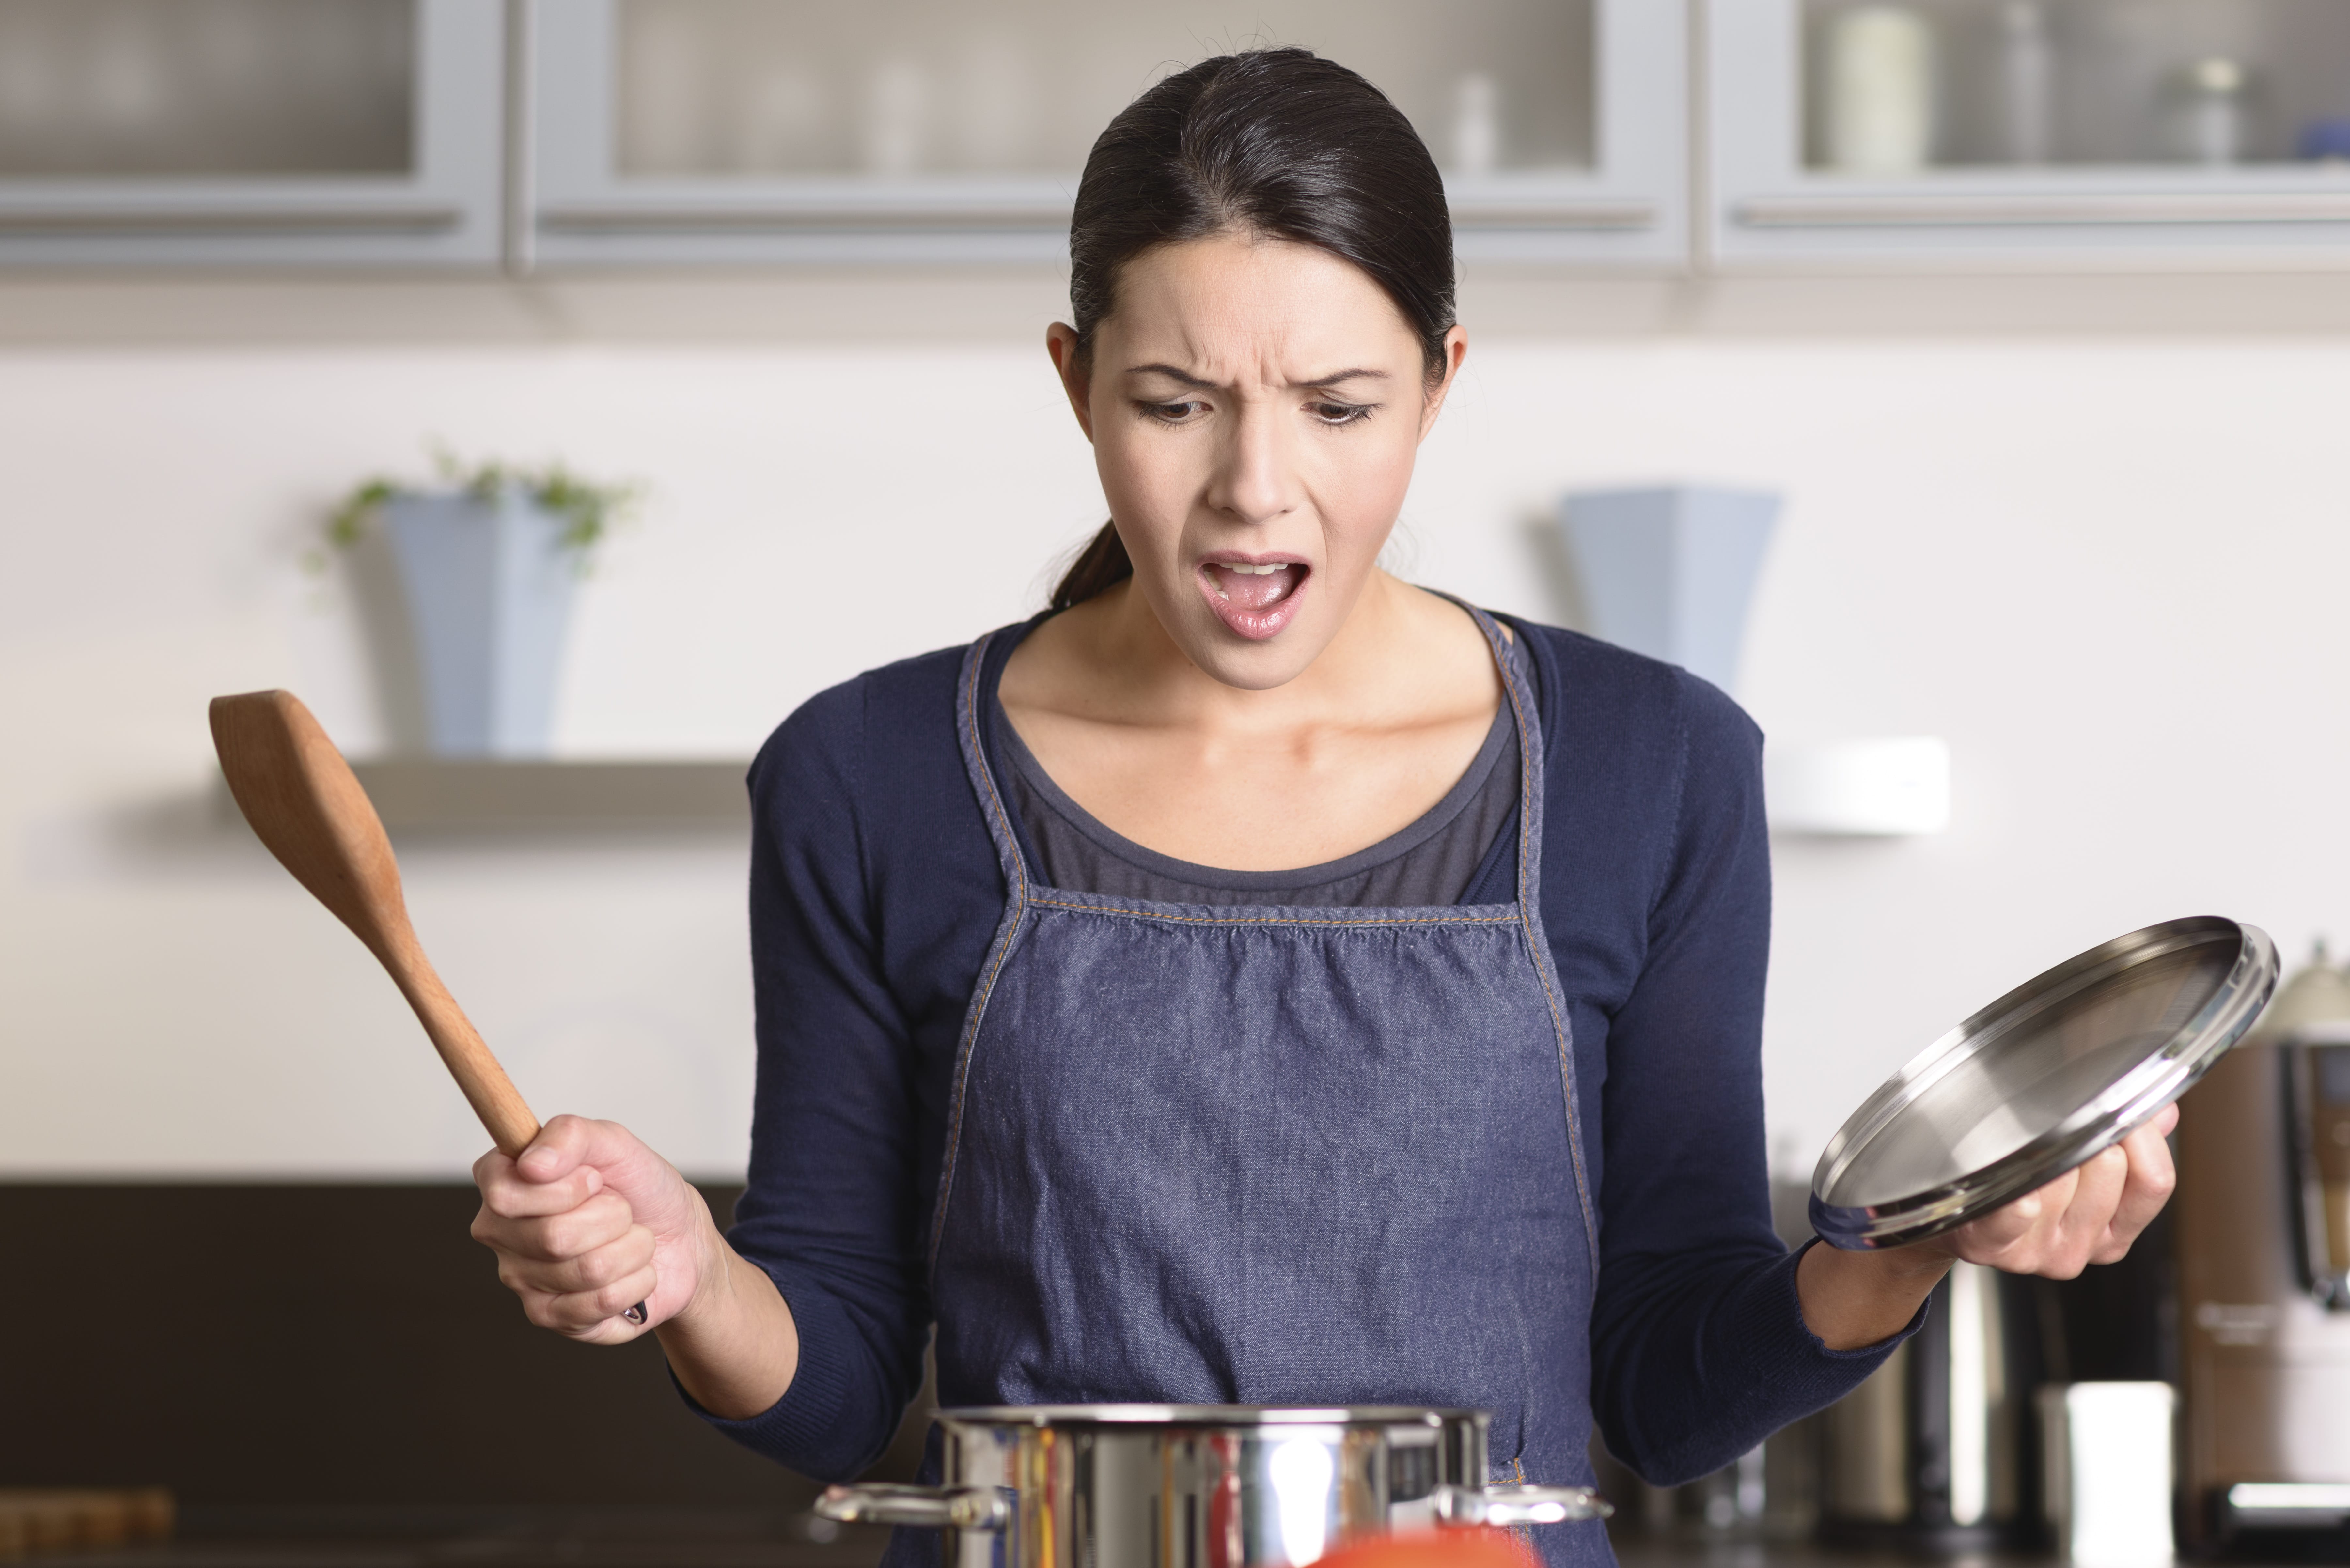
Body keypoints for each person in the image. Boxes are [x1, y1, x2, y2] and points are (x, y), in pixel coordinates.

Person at [469, 50, 2177, 1568]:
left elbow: (1662, 1386)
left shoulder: (1651, 769)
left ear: (1439, 382)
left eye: (1341, 407)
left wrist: (1916, 1243)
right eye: (1174, 403)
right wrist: (693, 1274)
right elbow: (837, 1380)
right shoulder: (869, 774)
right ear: (1074, 381)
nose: (1253, 491)